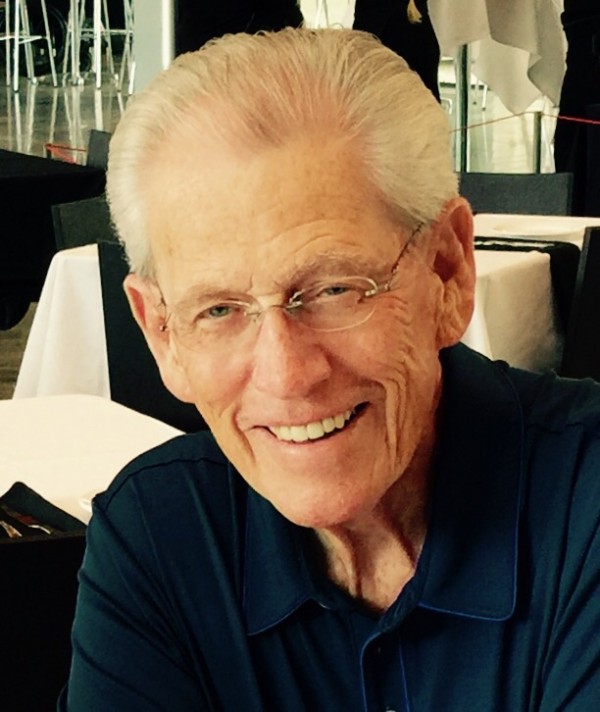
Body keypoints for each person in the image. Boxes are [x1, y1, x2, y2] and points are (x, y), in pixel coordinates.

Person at [60, 28, 600, 710]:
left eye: (334, 290)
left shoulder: (585, 502)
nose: (287, 375)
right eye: (220, 310)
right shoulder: (159, 536)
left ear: (448, 272)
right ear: (161, 334)